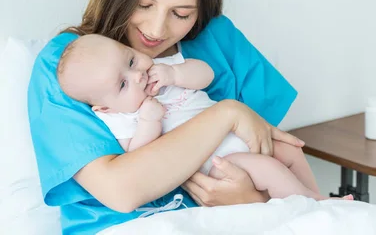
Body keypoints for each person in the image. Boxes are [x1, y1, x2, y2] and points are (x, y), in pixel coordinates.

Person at [28, 0, 306, 235]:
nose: (156, 30)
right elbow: (122, 191)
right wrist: (227, 113)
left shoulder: (218, 39)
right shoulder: (70, 64)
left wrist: (252, 198)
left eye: (181, 13)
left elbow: (272, 153)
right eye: (144, 5)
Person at [56, 34, 346, 201]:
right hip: (217, 162)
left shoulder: (161, 68)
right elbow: (137, 154)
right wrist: (149, 121)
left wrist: (175, 73)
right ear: (104, 108)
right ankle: (315, 206)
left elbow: (205, 74)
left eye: (131, 60)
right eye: (122, 84)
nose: (137, 75)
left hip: (237, 136)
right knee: (268, 169)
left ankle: (314, 194)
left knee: (289, 150)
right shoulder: (122, 117)